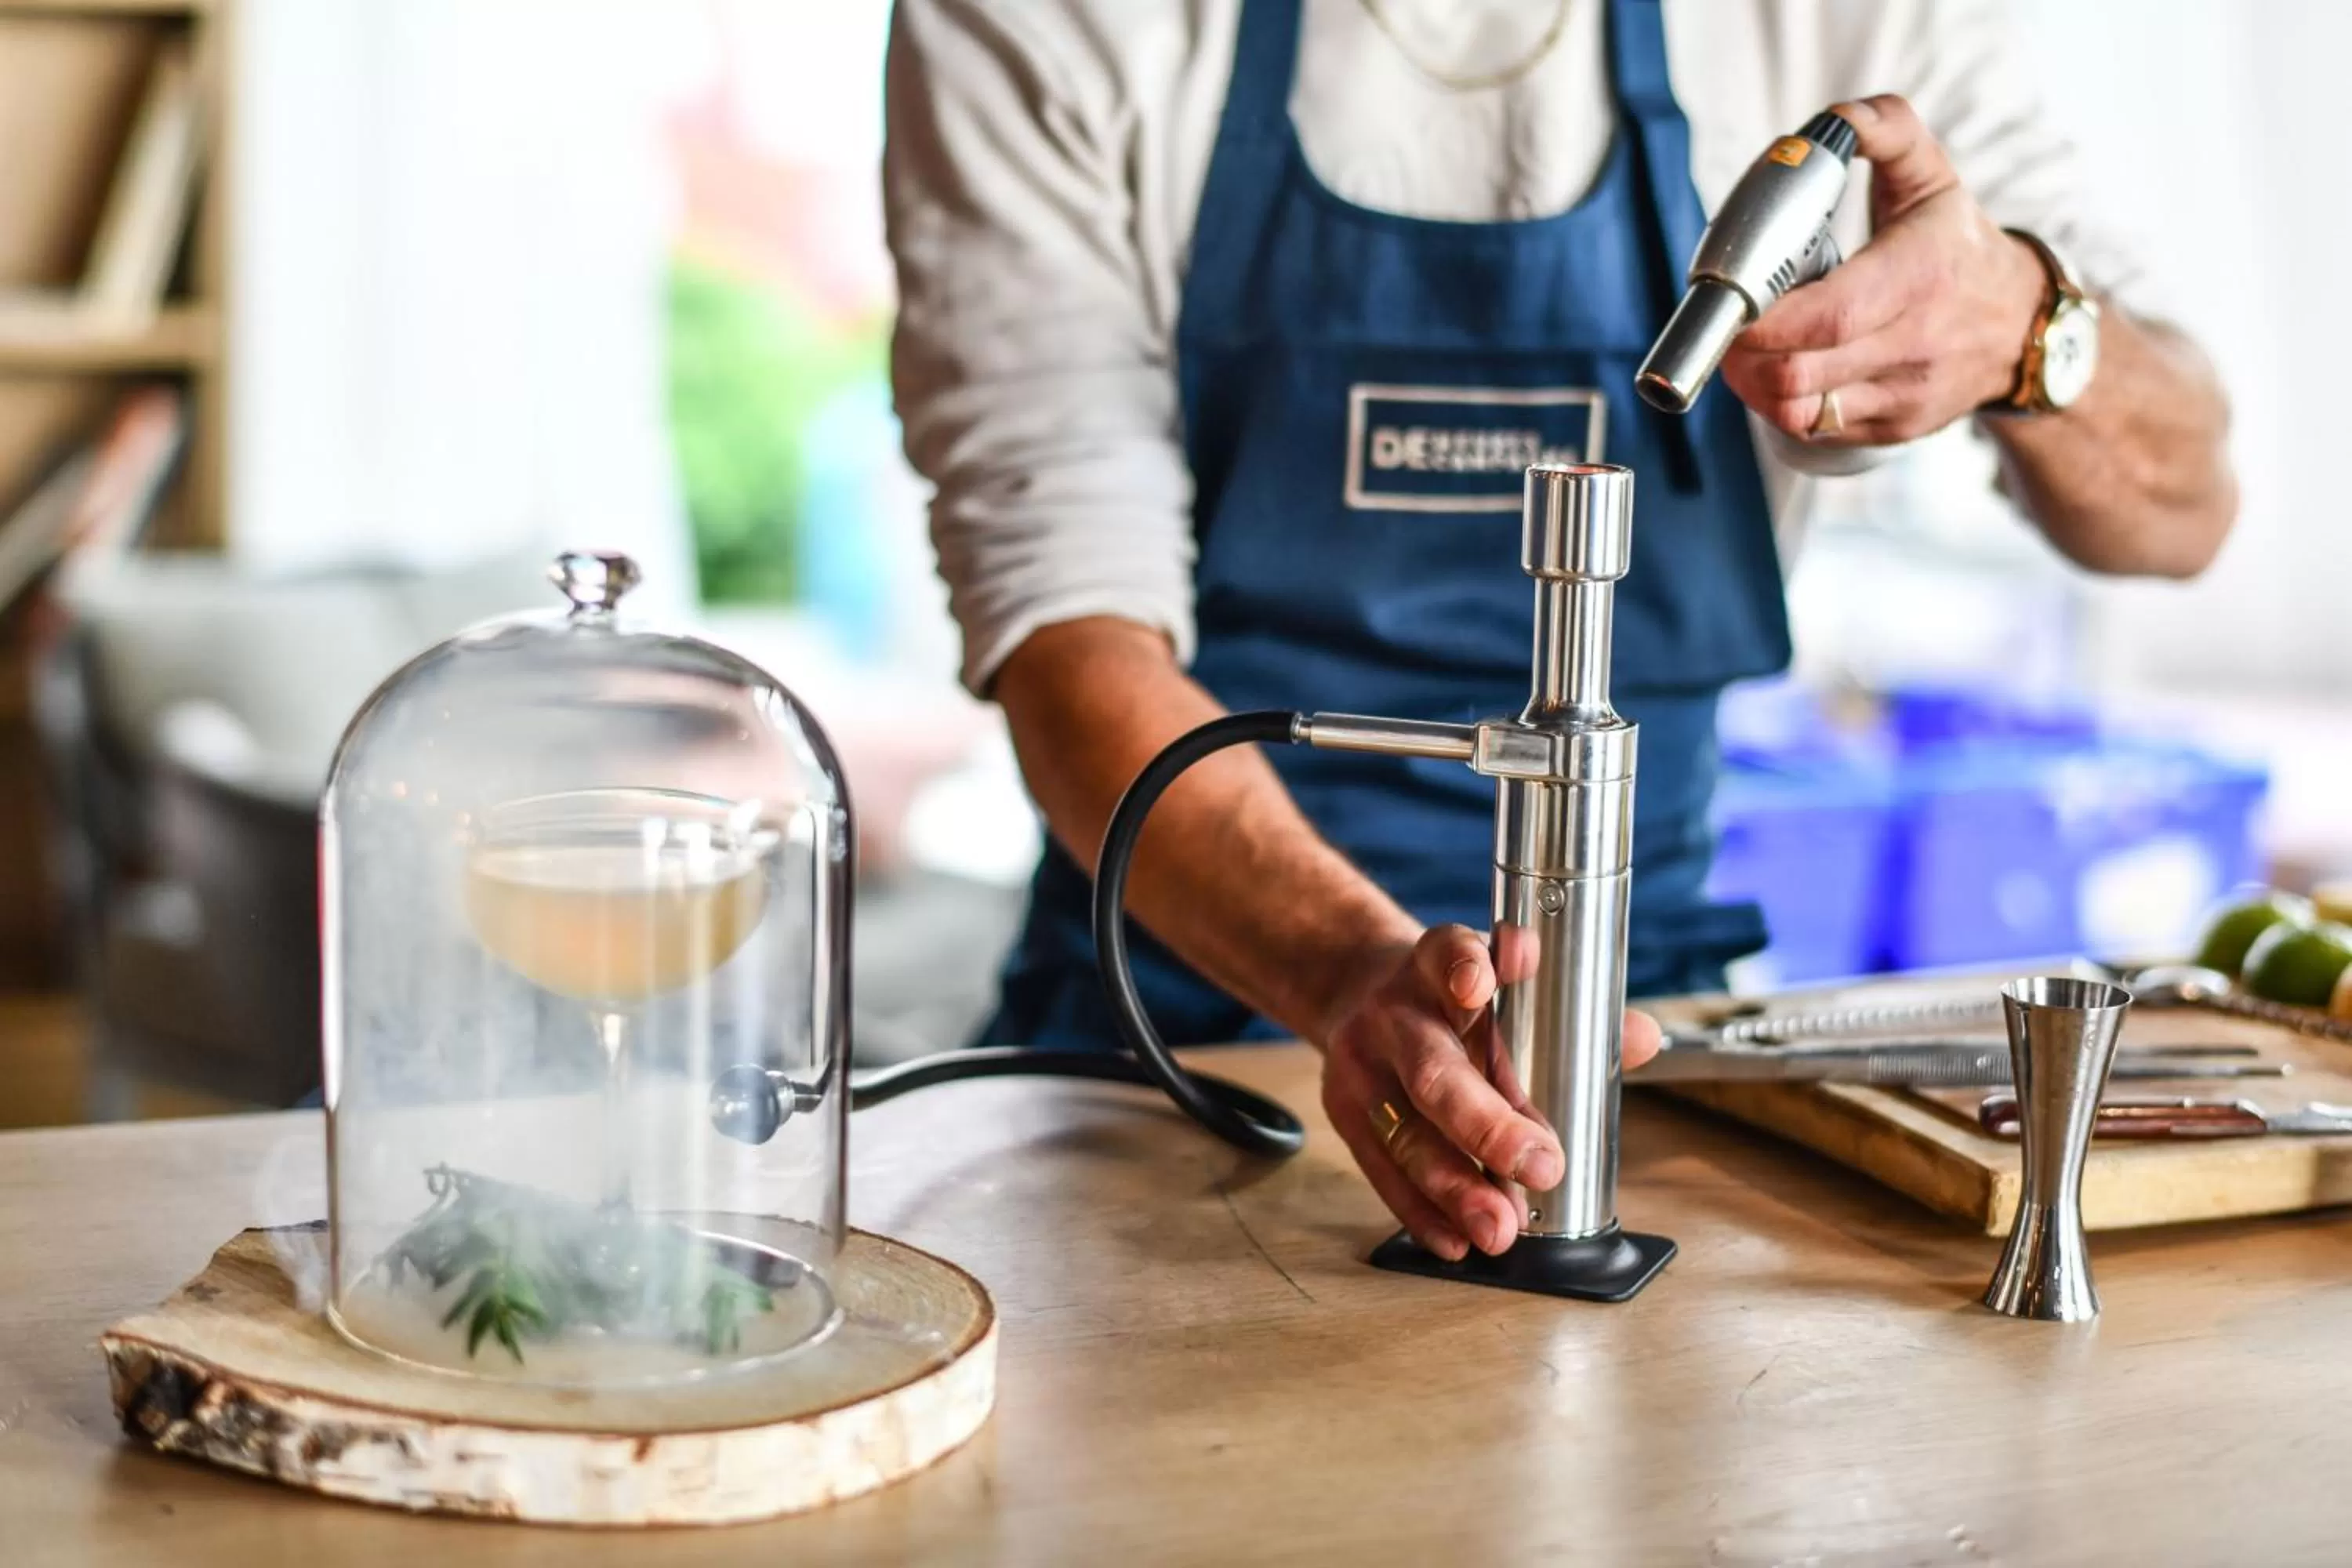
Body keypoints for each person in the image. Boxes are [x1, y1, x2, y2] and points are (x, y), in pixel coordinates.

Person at [883, 0, 2236, 1265]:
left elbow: (2185, 506)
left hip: (1655, 1037)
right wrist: (1347, 972)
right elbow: (1069, 642)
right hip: (1173, 1040)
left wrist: (2028, 328)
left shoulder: (1846, 26)